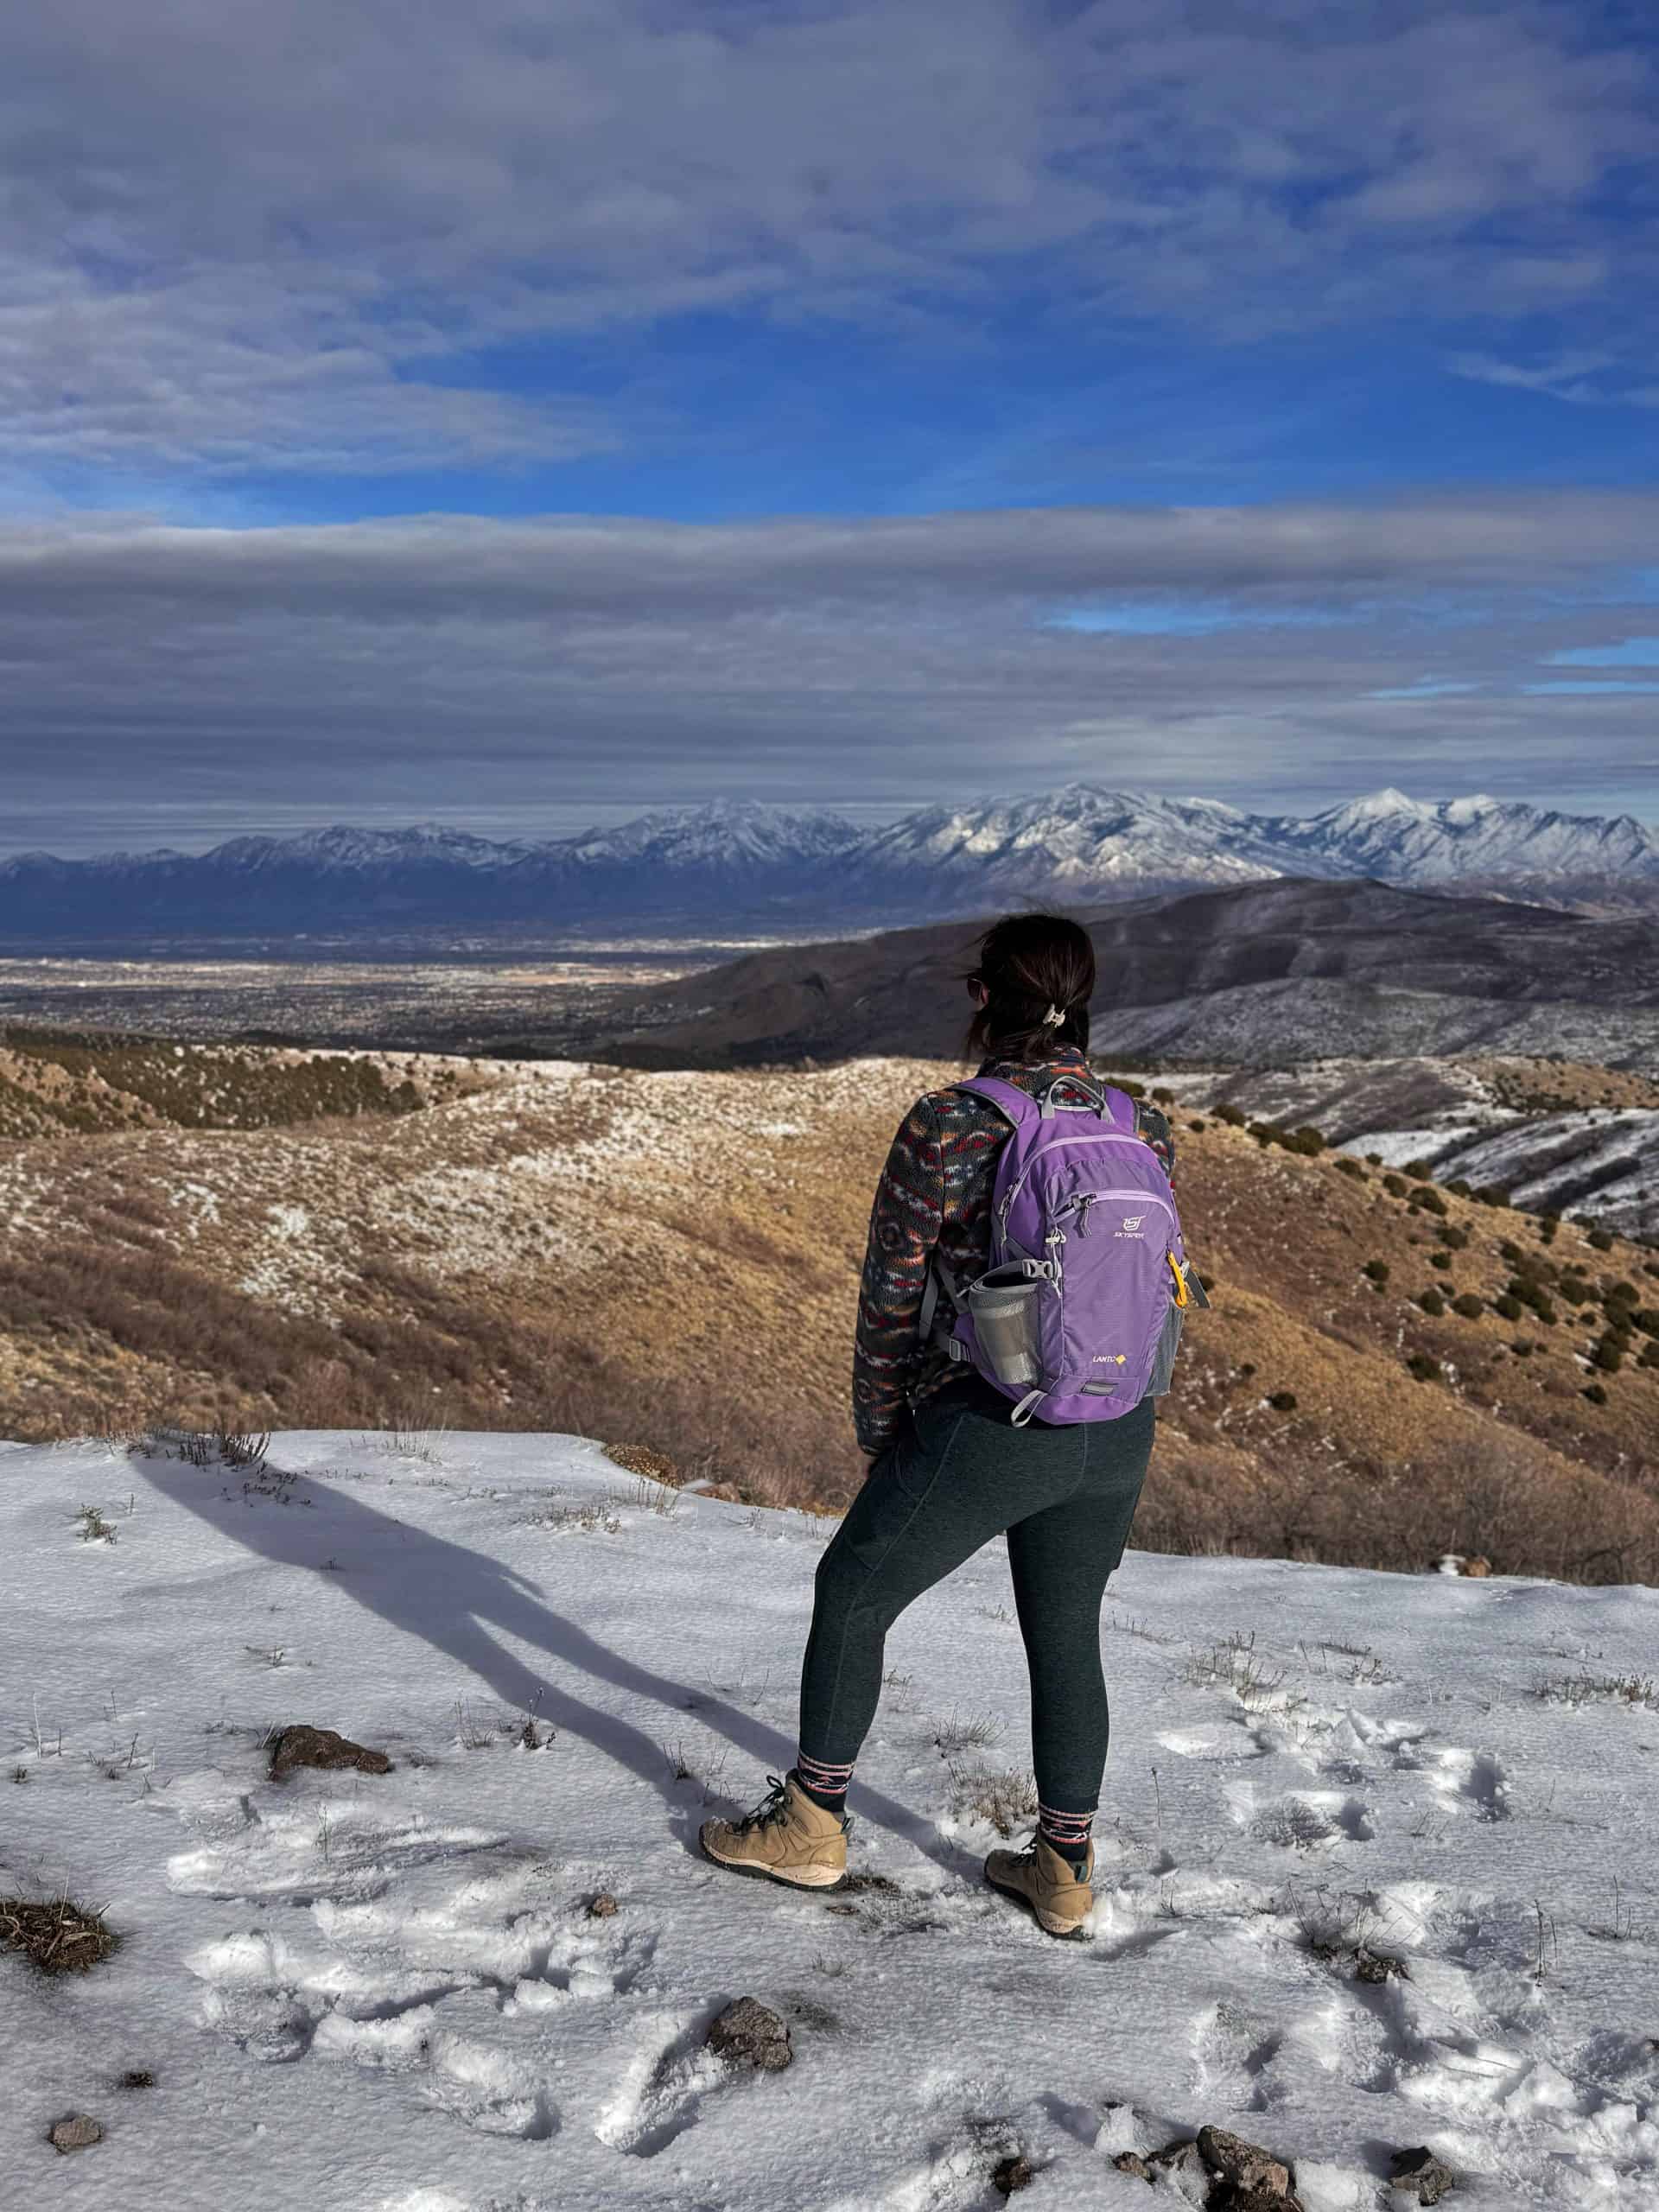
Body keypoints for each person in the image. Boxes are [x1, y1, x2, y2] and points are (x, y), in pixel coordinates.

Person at [701, 912, 1174, 1940]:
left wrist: (882, 1432)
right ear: (1087, 1001)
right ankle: (1063, 1870)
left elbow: (891, 1298)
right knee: (1066, 1633)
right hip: (1117, 1421)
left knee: (853, 1590)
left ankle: (814, 1824)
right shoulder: (1140, 1123)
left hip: (992, 1421)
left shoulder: (951, 1124)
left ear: (979, 997)